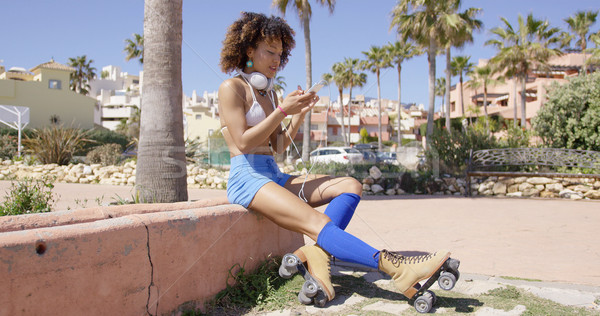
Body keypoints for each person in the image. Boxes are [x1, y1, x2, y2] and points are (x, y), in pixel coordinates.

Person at [218, 12, 450, 305]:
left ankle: (317, 253)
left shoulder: (271, 94)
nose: (276, 59)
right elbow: (242, 141)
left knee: (350, 185)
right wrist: (283, 112)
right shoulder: (232, 88)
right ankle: (397, 267)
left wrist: (299, 112)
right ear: (249, 50)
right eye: (269, 51)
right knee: (315, 222)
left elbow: (277, 145)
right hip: (246, 178)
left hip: (272, 174)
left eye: (280, 53)